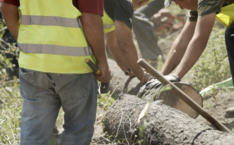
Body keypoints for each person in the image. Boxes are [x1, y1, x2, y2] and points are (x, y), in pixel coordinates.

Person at [1, 0, 111, 144]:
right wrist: (102, 62)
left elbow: (7, 6)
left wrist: (21, 38)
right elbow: (90, 19)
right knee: (77, 130)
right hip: (75, 65)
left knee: (34, 132)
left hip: (34, 63)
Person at [102, 0, 155, 83]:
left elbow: (112, 44)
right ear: (142, 2)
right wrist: (142, 76)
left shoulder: (112, 6)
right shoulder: (125, 3)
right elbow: (125, 44)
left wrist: (128, 70)